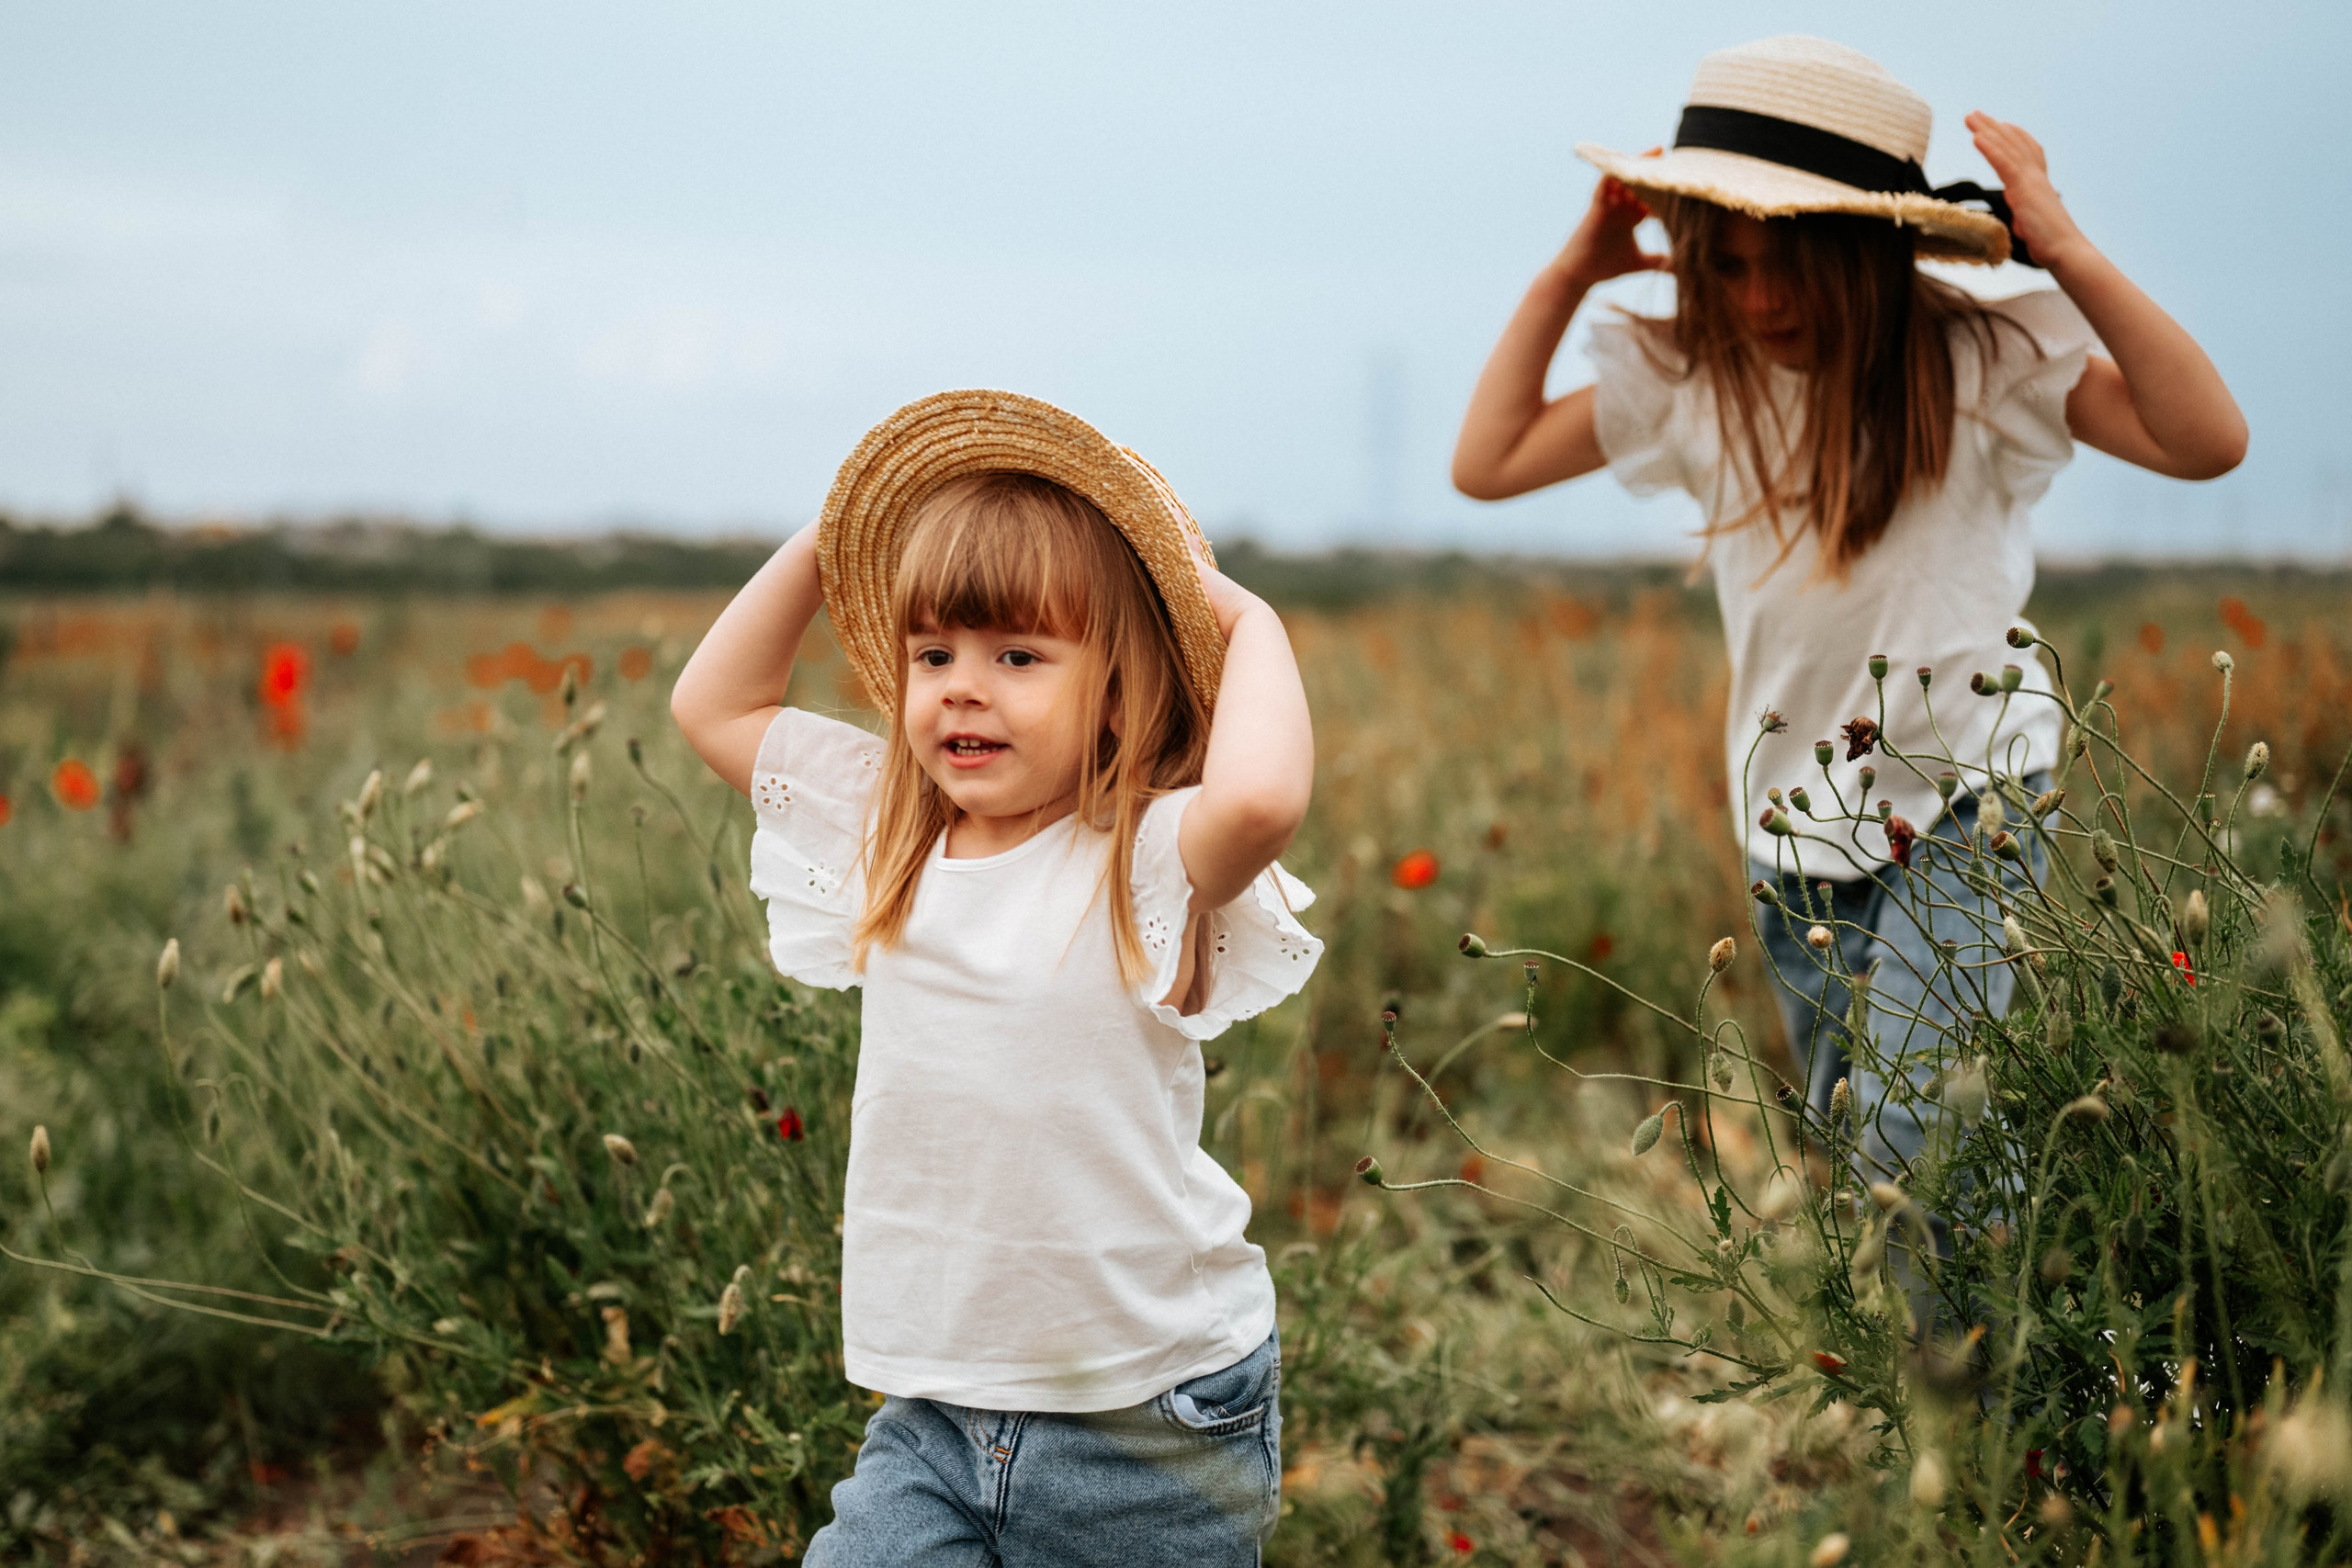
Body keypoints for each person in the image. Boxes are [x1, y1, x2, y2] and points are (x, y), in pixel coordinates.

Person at [1450, 37, 2245, 1190]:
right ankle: (1994, 1297)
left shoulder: (1978, 358)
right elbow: (1488, 463)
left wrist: (2067, 250)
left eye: (1796, 262)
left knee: (1916, 1124)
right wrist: (1570, 272)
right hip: (1795, 828)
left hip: (1970, 796)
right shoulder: (1701, 379)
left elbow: (2207, 440)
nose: (1761, 297)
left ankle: (1998, 1297)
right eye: (1727, 265)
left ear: (1872, 249)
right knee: (1870, 1157)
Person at [670, 389, 1319, 1567]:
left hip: (1145, 1419)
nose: (962, 686)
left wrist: (1248, 622)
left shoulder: (1142, 854)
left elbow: (1265, 799)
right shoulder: (891, 830)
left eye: (1017, 655)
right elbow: (713, 704)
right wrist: (836, 534)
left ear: (1116, 688)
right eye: (934, 653)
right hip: (933, 1412)